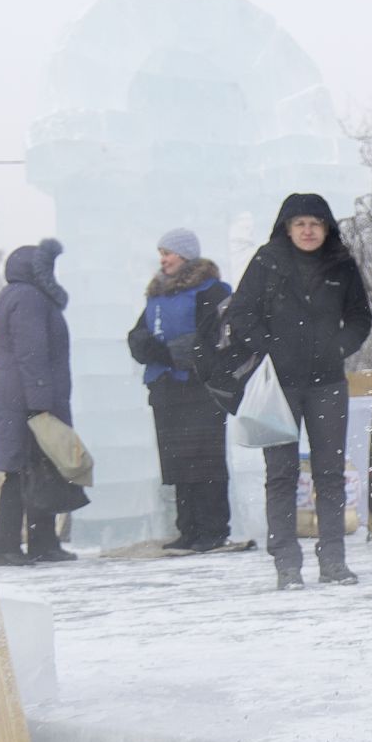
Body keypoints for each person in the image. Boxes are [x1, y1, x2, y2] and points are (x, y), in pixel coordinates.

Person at [231, 193, 372, 590]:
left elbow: (361, 316)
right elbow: (241, 313)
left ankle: (333, 561)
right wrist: (270, 347)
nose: (308, 231)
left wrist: (339, 346)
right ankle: (286, 564)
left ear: (326, 228)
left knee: (329, 473)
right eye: (300, 224)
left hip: (328, 383)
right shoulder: (267, 261)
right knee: (281, 474)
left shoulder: (341, 263)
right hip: (279, 386)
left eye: (315, 223)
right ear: (287, 228)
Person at [126, 228, 232, 552]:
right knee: (179, 464)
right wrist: (160, 351)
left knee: (206, 461)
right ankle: (188, 529)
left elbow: (208, 340)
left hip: (201, 389)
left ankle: (213, 529)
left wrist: (169, 352)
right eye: (161, 252)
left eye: (168, 252)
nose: (163, 259)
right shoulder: (156, 296)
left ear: (185, 256)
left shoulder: (212, 291)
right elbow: (137, 337)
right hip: (167, 390)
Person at [0, 238, 76, 566]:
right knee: (24, 471)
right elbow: (31, 353)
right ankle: (8, 547)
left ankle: (42, 543)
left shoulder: (17, 295)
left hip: (17, 396)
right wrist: (41, 406)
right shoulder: (29, 298)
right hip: (26, 399)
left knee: (36, 470)